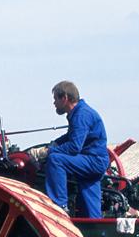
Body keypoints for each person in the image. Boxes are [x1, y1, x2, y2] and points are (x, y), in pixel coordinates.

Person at [27, 81, 108, 218]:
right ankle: (95, 227)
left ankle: (59, 206)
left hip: (93, 161)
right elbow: (70, 136)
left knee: (56, 160)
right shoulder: (81, 112)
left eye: (55, 99)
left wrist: (47, 152)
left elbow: (74, 147)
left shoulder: (81, 115)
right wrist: (53, 144)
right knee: (90, 213)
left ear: (64, 98)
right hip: (95, 161)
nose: (54, 103)